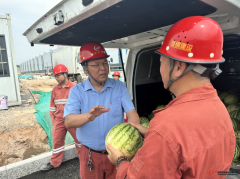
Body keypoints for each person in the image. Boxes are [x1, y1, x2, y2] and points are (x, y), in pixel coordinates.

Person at [107, 16, 236, 178]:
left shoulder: (167, 126)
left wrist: (120, 161)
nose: (159, 69)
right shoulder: (220, 108)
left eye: (161, 62)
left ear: (178, 67)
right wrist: (152, 137)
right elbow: (190, 150)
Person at [64, 41, 140, 179]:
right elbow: (68, 121)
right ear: (85, 69)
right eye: (96, 65)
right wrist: (89, 116)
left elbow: (131, 112)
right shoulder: (77, 91)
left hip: (117, 155)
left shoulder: (119, 87)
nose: (103, 68)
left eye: (105, 63)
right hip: (90, 155)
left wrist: (132, 131)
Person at [41, 64, 81, 171]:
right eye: (55, 76)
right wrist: (53, 121)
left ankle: (84, 159)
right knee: (57, 142)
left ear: (65, 74)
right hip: (59, 120)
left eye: (58, 75)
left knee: (80, 140)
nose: (56, 78)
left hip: (72, 120)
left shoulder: (75, 87)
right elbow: (52, 106)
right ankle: (54, 163)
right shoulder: (55, 89)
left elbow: (81, 104)